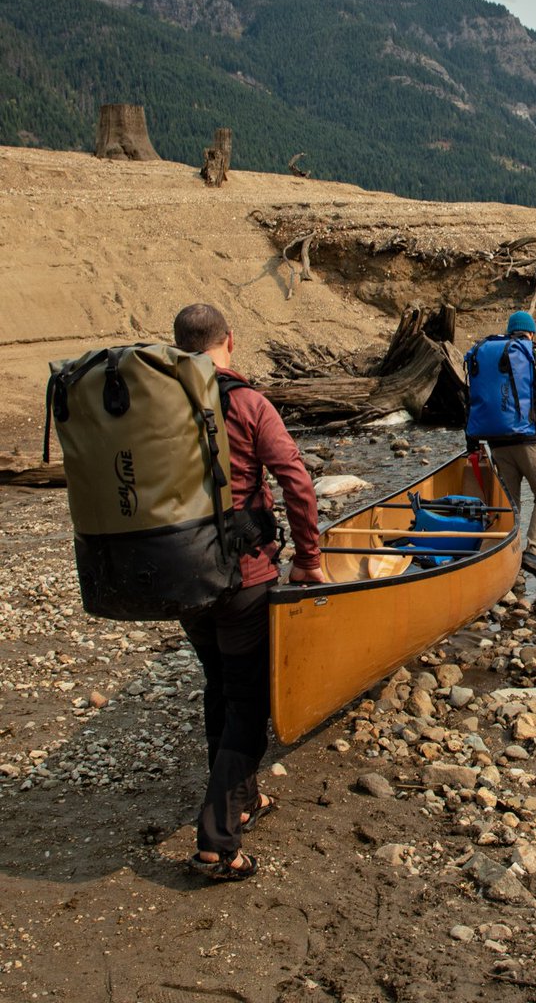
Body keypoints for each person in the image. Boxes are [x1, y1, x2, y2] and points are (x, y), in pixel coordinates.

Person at [172, 303, 325, 882]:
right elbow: (297, 482)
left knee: (221, 685)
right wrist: (308, 560)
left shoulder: (158, 403)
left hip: (179, 578)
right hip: (242, 580)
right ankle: (217, 841)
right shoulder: (245, 402)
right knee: (248, 703)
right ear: (228, 342)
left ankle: (245, 798)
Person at [466, 310, 536, 585]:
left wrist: (472, 444)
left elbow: (473, 400)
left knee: (509, 505)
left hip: (496, 443)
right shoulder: (535, 354)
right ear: (531, 333)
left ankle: (508, 570)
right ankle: (534, 553)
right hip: (529, 441)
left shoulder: (486, 354)